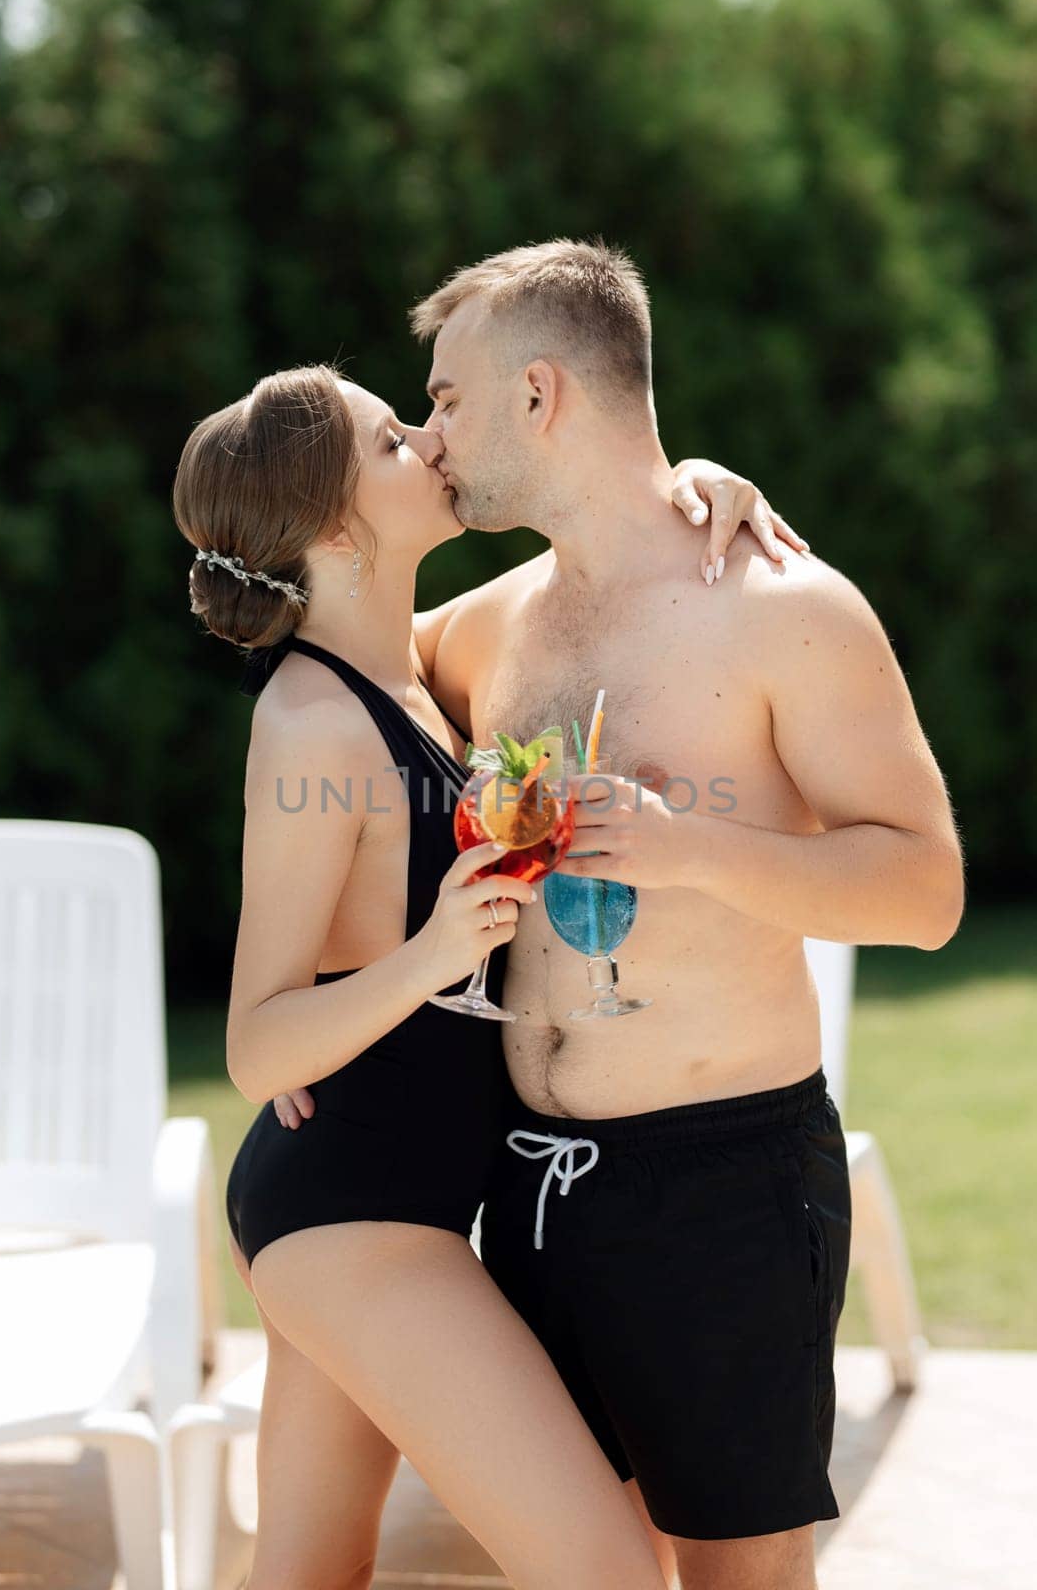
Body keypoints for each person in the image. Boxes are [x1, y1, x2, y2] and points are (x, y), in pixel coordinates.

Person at [172, 362, 795, 1590]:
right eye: (395, 442)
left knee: (306, 1573)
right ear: (336, 525)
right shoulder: (310, 723)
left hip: (389, 1196)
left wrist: (690, 494)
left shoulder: (403, 667)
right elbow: (254, 1045)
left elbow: (589, 574)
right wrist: (432, 958)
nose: (433, 443)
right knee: (610, 1572)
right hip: (354, 1213)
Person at [400, 238, 964, 1590]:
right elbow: (362, 662)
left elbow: (929, 889)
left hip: (725, 1190)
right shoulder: (488, 625)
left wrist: (689, 847)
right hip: (525, 1185)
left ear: (542, 393)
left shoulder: (787, 610)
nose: (429, 439)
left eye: (446, 399)